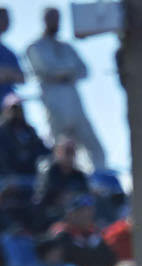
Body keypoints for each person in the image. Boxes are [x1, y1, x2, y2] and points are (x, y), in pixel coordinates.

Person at [25, 7, 102, 170]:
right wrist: (67, 72)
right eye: (52, 19)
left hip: (75, 105)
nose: (56, 23)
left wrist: (61, 73)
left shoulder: (67, 47)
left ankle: (96, 179)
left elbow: (84, 70)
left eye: (58, 19)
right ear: (44, 20)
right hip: (54, 105)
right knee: (58, 147)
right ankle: (57, 179)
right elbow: (45, 70)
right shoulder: (35, 47)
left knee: (95, 148)